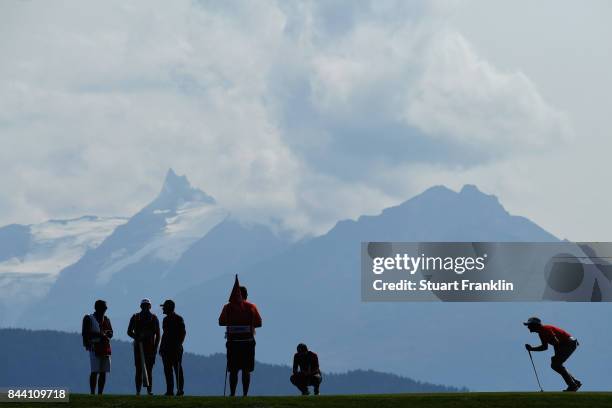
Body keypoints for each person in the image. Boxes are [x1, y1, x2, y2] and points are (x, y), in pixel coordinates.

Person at [218, 276, 262, 396]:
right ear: (245, 295)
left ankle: (232, 394)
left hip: (233, 342)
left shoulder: (227, 307)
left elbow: (221, 322)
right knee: (246, 370)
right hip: (248, 341)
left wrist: (233, 322)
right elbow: (259, 323)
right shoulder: (251, 307)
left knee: (233, 370)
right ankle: (245, 394)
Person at [524, 317, 582, 391]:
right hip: (567, 344)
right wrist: (532, 349)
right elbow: (545, 347)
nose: (528, 327)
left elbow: (556, 341)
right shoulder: (541, 333)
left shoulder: (545, 329)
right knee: (556, 364)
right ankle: (575, 383)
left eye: (529, 325)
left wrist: (556, 354)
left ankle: (573, 385)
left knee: (556, 364)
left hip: (569, 343)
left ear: (535, 325)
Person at [127, 298, 161, 395]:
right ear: (141, 306)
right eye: (144, 305)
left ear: (150, 306)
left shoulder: (154, 318)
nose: (146, 307)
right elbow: (129, 331)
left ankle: (149, 391)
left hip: (150, 349)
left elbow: (158, 335)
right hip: (138, 348)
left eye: (147, 305)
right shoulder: (135, 317)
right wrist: (136, 337)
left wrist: (155, 349)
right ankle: (138, 391)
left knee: (149, 370)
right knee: (138, 370)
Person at [81, 299, 113, 395]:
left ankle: (100, 393)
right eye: (104, 306)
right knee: (95, 371)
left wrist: (108, 334)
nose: (106, 308)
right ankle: (92, 393)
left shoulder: (107, 319)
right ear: (99, 308)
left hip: (105, 347)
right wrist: (100, 335)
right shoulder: (89, 318)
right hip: (94, 346)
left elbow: (111, 332)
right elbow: (86, 333)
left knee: (103, 371)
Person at [159, 299, 186, 396]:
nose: (163, 309)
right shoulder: (170, 319)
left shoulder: (177, 319)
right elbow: (165, 334)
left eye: (164, 307)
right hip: (168, 348)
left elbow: (182, 333)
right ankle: (171, 390)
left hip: (173, 348)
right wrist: (161, 346)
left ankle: (178, 390)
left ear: (168, 308)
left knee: (175, 369)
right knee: (170, 369)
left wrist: (178, 345)